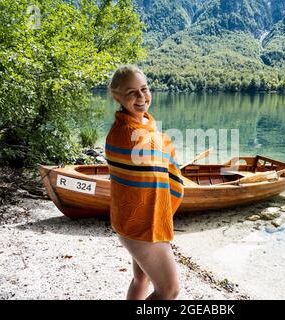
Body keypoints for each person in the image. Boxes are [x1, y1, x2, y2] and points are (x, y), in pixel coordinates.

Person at [105, 65, 184, 300]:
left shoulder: (142, 125)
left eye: (144, 89)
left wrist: (160, 141)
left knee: (142, 278)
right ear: (116, 96)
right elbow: (155, 150)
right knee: (169, 290)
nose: (141, 97)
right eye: (132, 92)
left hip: (127, 219)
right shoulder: (129, 134)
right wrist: (166, 144)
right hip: (143, 225)